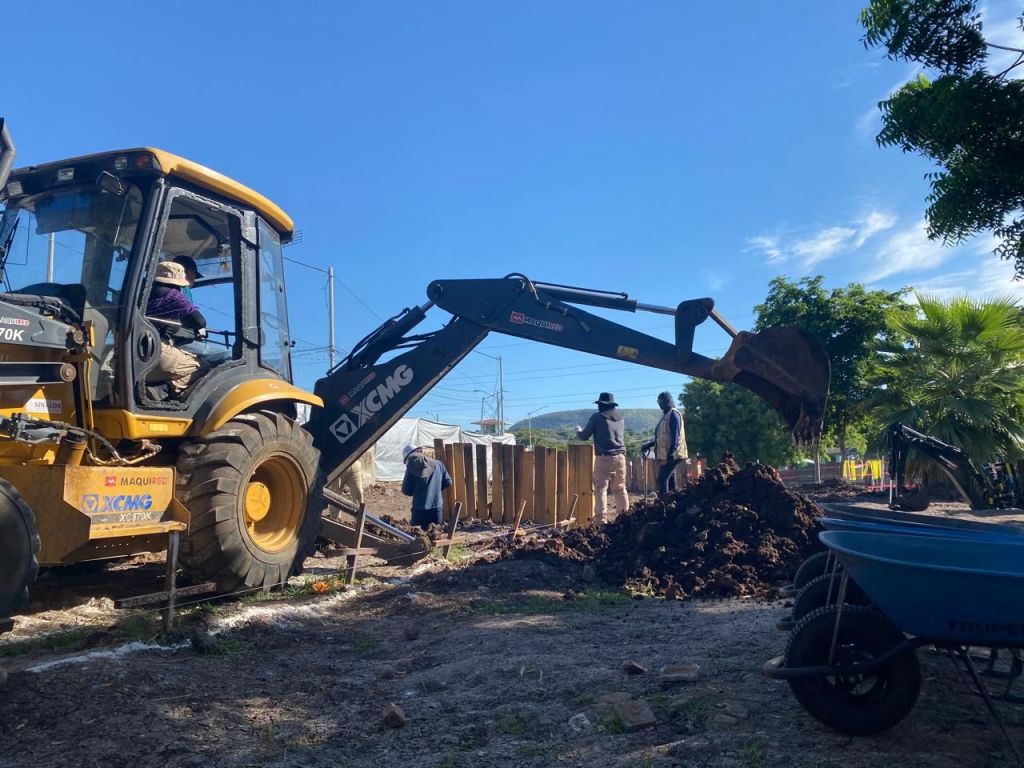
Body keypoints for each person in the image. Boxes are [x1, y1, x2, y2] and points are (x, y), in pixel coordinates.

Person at [145, 261, 209, 394]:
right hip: (154, 352)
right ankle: (163, 391)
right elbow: (200, 322)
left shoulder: (140, 292)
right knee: (203, 366)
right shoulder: (173, 296)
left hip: (127, 351)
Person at [576, 392, 628, 524]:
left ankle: (601, 522)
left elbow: (584, 436)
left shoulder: (597, 417)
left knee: (600, 489)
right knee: (620, 489)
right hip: (620, 458)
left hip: (604, 458)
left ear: (602, 405)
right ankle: (625, 518)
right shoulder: (620, 419)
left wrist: (578, 430)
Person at [172, 255, 231, 366]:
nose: (194, 279)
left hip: (175, 337)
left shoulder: (162, 290)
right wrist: (201, 332)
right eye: (194, 275)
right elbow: (199, 322)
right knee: (227, 355)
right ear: (189, 271)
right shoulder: (179, 290)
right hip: (180, 341)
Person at [642, 391, 689, 495]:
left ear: (669, 401)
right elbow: (662, 437)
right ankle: (674, 501)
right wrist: (649, 444)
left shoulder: (674, 415)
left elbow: (676, 436)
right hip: (669, 454)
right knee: (671, 480)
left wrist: (672, 452)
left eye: (663, 402)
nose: (661, 404)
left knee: (662, 480)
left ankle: (664, 502)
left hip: (674, 454)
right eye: (659, 402)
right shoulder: (665, 416)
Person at [401, 444, 452, 530]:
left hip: (419, 510)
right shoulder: (439, 464)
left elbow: (406, 490)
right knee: (436, 533)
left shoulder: (411, 469)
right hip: (437, 507)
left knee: (418, 535)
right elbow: (448, 482)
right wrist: (435, 490)